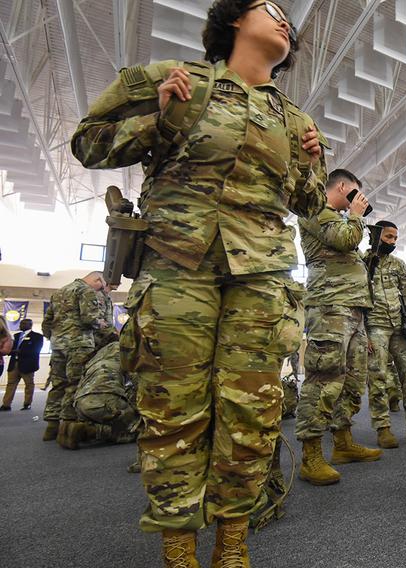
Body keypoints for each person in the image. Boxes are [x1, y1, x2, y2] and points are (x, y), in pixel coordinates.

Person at [71, 1, 326, 565]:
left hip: (260, 276)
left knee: (252, 413)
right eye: (271, 9)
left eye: (290, 16)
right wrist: (157, 118)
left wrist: (311, 166)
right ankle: (179, 549)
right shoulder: (175, 79)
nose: (285, 20)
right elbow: (88, 142)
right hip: (175, 267)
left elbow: (308, 205)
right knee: (173, 410)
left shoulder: (296, 120)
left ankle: (232, 544)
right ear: (234, 18)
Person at [294, 168, 382, 486]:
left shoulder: (339, 217)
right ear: (343, 187)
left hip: (353, 310)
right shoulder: (315, 209)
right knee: (324, 379)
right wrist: (356, 215)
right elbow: (343, 240)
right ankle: (311, 455)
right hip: (330, 307)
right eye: (355, 193)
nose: (358, 200)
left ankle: (343, 443)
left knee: (353, 382)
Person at [363, 220, 406, 449]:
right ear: (376, 236)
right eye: (388, 237)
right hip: (374, 327)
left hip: (400, 328)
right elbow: (355, 302)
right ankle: (383, 428)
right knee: (378, 376)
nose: (392, 242)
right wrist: (361, 333)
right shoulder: (362, 264)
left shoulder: (399, 265)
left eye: (395, 238)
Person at [41, 272, 108, 449]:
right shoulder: (86, 291)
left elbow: (46, 323)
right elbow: (89, 318)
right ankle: (68, 426)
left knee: (58, 384)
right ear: (97, 280)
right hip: (79, 345)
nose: (101, 289)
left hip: (57, 346)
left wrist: (56, 338)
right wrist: (101, 324)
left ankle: (51, 426)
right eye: (101, 285)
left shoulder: (59, 292)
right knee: (75, 384)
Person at [0, 318, 43, 411]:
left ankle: (27, 403)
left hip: (27, 365)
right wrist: (12, 351)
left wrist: (19, 351)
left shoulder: (37, 336)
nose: (20, 325)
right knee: (11, 384)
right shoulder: (16, 336)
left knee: (29, 385)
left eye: (23, 324)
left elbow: (35, 350)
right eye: (20, 323)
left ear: (29, 325)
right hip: (14, 364)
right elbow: (10, 349)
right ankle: (6, 404)